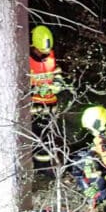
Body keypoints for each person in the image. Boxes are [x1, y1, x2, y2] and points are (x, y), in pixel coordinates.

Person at [29, 25, 66, 166]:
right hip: (34, 108)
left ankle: (49, 167)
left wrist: (57, 83)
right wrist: (37, 90)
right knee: (36, 138)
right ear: (33, 46)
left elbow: (57, 72)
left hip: (51, 106)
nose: (43, 54)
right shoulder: (26, 59)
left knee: (50, 138)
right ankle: (38, 167)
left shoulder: (50, 56)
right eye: (40, 51)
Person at [78, 105, 106, 207]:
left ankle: (99, 199)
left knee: (97, 186)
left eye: (89, 129)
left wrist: (103, 176)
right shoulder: (105, 136)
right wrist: (90, 155)